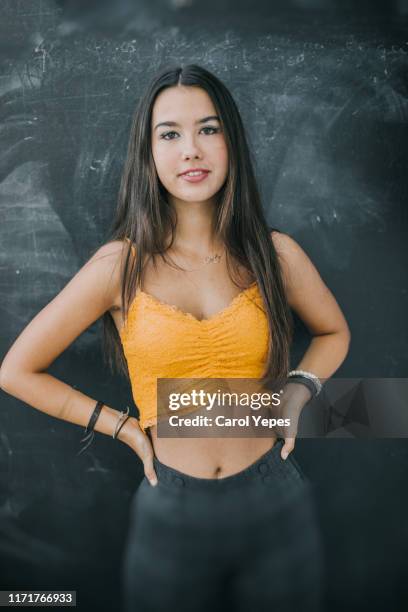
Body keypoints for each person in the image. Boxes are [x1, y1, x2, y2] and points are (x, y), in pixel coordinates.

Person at [0, 64, 351, 612]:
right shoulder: (118, 266)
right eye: (170, 134)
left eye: (209, 129)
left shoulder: (275, 253)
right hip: (173, 510)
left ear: (231, 142)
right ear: (149, 151)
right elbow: (16, 371)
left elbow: (333, 332)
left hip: (274, 497)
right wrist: (126, 430)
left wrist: (299, 390)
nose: (191, 149)